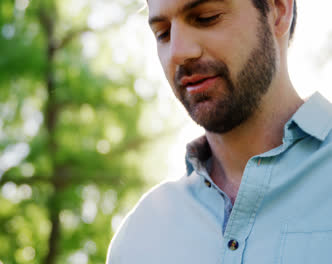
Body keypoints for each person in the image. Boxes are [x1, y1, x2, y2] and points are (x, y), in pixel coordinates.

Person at [107, 0, 332, 263]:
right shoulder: (139, 237)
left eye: (206, 18)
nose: (178, 52)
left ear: (279, 10)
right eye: (163, 33)